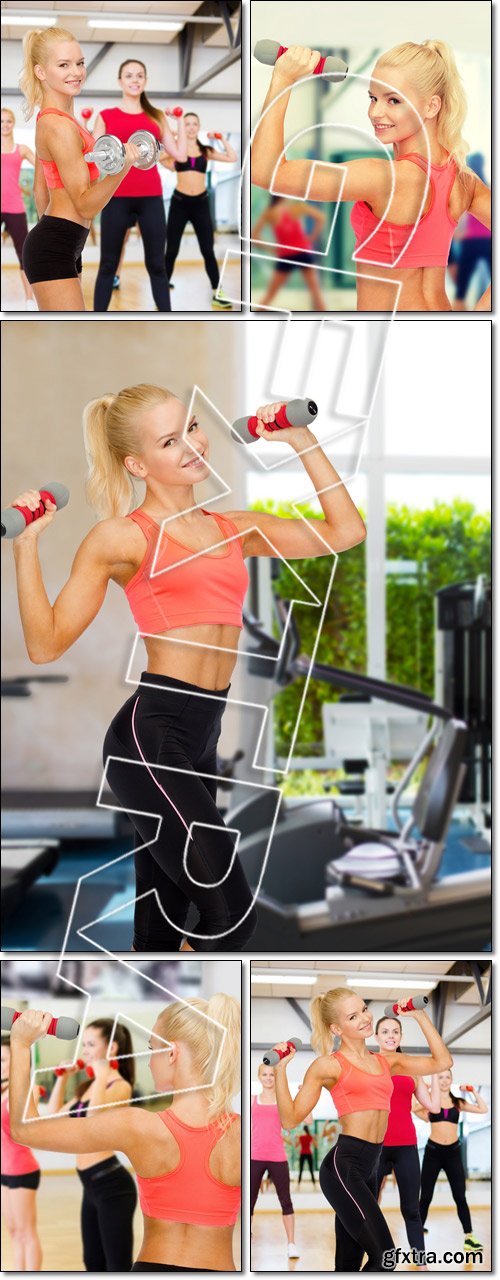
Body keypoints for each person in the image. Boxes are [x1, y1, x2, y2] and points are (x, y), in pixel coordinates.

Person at [9, 385, 366, 952]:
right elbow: (45, 645)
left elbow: (346, 531)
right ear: (136, 464)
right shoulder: (121, 537)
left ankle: (164, 1019)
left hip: (203, 736)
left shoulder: (234, 528)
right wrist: (25, 547)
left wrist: (301, 440)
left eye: (192, 427)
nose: (193, 445)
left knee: (163, 927)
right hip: (149, 738)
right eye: (170, 441)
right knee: (231, 916)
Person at [252, 41, 491, 312]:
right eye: (373, 98)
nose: (375, 112)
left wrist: (284, 78)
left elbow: (265, 171)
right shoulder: (463, 180)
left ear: (431, 106)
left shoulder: (383, 178)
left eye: (393, 100)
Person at [8, 995, 241, 1272]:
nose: (150, 1061)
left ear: (171, 1053)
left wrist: (21, 1045)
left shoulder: (138, 1126)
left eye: (152, 1048)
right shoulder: (243, 1133)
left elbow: (24, 1129)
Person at [270, 989, 453, 1271]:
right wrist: (281, 1070)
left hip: (371, 1165)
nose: (365, 1018)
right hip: (344, 1167)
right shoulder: (328, 1065)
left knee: (348, 1262)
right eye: (353, 1017)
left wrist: (419, 1016)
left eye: (364, 1009)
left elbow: (442, 1062)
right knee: (386, 1257)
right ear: (336, 1028)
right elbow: (290, 1119)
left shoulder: (386, 1061)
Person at [19, 27, 144, 311]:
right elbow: (86, 206)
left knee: (70, 342)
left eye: (80, 62)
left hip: (63, 240)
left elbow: (42, 190)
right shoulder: (59, 126)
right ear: (41, 72)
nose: (75, 72)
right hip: (57, 243)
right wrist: (122, 167)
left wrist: (61, 241)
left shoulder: (56, 119)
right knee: (72, 342)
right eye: (63, 65)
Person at [92, 60, 186, 312]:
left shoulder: (155, 117)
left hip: (150, 198)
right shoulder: (105, 116)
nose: (134, 80)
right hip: (116, 197)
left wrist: (180, 122)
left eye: (139, 76)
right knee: (108, 265)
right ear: (120, 81)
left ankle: (168, 322)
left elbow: (180, 155)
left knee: (157, 265)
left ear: (145, 81)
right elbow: (94, 158)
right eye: (129, 75)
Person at [46, 1018, 137, 1272]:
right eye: (83, 1044)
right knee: (93, 1263)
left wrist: (102, 1074)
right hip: (90, 1185)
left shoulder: (120, 1086)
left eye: (90, 1044)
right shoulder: (89, 1087)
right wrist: (63, 1079)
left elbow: (93, 1121)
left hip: (113, 1187)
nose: (84, 1051)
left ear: (112, 1049)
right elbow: (53, 1119)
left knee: (116, 1267)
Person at [374, 1014, 441, 1268]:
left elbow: (433, 1105)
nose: (391, 1036)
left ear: (400, 1036)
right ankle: (371, 1257)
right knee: (368, 1207)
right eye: (385, 1031)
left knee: (411, 1209)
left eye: (395, 1032)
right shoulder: (370, 1064)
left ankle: (421, 1264)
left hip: (406, 1147)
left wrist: (434, 1071)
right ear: (376, 1036)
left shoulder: (412, 1068)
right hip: (375, 1147)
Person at [162, 112, 237, 309]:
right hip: (179, 203)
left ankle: (217, 292)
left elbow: (232, 157)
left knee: (207, 250)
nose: (191, 127)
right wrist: (172, 137)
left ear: (198, 127)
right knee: (171, 250)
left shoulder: (206, 150)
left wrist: (221, 139)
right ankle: (161, 291)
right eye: (187, 124)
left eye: (195, 124)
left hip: (201, 204)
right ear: (182, 127)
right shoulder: (176, 151)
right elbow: (159, 156)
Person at [415, 1068, 488, 1253]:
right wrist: (428, 1089)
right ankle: (416, 1235)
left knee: (460, 1197)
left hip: (453, 1153)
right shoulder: (430, 1101)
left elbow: (483, 1109)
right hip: (433, 1152)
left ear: (451, 1080)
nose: (445, 1080)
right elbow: (413, 1107)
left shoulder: (458, 1102)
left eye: (448, 1077)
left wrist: (472, 1091)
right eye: (441, 1077)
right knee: (425, 1197)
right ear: (435, 1079)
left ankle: (469, 1237)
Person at [251, 1062, 299, 1259]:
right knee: (249, 1202)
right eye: (265, 1074)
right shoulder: (252, 1100)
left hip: (278, 1157)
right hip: (255, 1157)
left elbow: (308, 1120)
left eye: (272, 1075)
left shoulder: (282, 1102)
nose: (269, 1078)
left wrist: (301, 1096)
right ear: (259, 1077)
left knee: (286, 1201)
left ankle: (291, 1244)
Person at [1, 1041, 42, 1271]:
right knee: (13, 1231)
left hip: (22, 1170)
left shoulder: (26, 1090)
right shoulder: (3, 1090)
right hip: (4, 1172)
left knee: (26, 1232)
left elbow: (28, 1127)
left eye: (4, 1060)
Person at [251, 195, 327, 310]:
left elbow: (254, 236)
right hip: (303, 251)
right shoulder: (296, 207)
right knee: (316, 293)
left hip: (286, 254)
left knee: (270, 295)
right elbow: (321, 217)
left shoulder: (270, 212)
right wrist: (312, 237)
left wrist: (271, 249)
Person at [1, 107, 36, 308]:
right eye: (1, 121)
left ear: (13, 124)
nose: (5, 125)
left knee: (24, 255)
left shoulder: (21, 149)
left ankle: (29, 299)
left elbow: (42, 166)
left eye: (8, 121)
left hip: (15, 207)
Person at [453, 153, 491, 310]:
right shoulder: (488, 189)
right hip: (489, 241)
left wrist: (458, 234)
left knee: (461, 289)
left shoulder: (466, 189)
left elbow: (461, 217)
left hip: (470, 241)